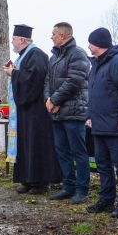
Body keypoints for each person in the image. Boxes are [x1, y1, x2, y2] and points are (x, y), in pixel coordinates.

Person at [84, 28, 118, 218]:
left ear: (98, 43)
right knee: (103, 165)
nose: (88, 46)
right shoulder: (96, 65)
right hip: (99, 125)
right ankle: (106, 201)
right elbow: (93, 94)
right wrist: (89, 116)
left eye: (90, 42)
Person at [4, 24, 62, 194]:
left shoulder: (35, 54)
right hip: (25, 110)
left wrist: (12, 74)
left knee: (36, 145)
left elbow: (33, 79)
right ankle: (27, 179)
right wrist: (14, 72)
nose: (12, 42)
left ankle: (40, 181)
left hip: (36, 110)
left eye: (13, 39)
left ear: (22, 40)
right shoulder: (24, 55)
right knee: (26, 145)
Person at [44, 22, 91, 205]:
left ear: (63, 36)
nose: (51, 37)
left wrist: (55, 100)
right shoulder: (54, 57)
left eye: (53, 33)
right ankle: (68, 187)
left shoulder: (78, 54)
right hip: (56, 113)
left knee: (78, 152)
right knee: (62, 152)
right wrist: (48, 100)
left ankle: (82, 190)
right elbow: (47, 80)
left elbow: (74, 81)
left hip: (73, 112)